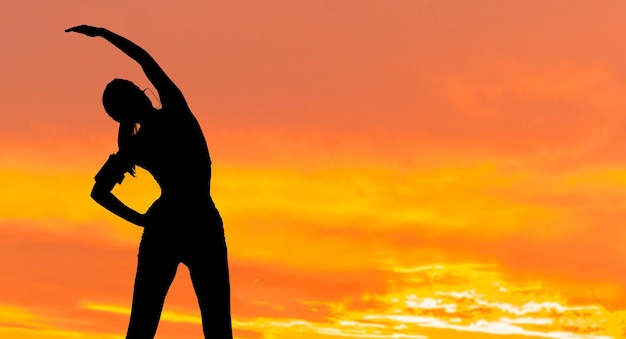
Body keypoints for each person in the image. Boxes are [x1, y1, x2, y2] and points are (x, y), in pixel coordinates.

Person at [66, 25, 233, 339]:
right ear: (139, 92)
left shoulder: (134, 146)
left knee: (143, 328)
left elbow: (98, 192)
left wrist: (142, 220)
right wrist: (104, 34)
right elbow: (144, 59)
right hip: (200, 224)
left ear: (117, 116)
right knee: (215, 329)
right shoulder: (175, 112)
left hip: (170, 226)